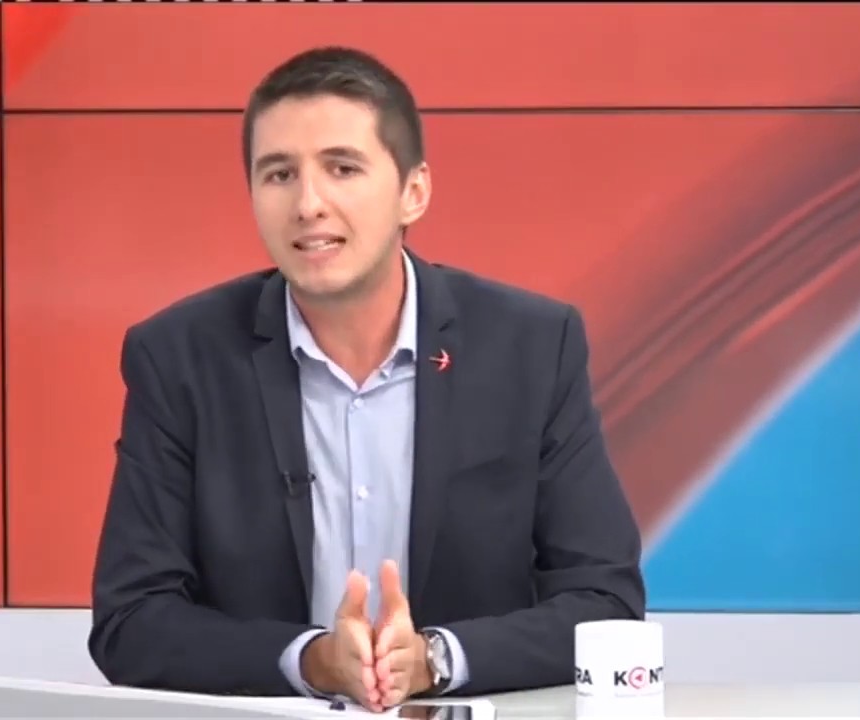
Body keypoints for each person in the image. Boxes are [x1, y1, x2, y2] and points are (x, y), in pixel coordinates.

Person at [88, 46, 646, 710]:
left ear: (414, 192)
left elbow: (605, 603)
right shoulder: (179, 357)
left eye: (342, 168)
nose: (308, 203)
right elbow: (132, 623)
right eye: (279, 174)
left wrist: (434, 659)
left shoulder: (530, 347)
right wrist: (313, 660)